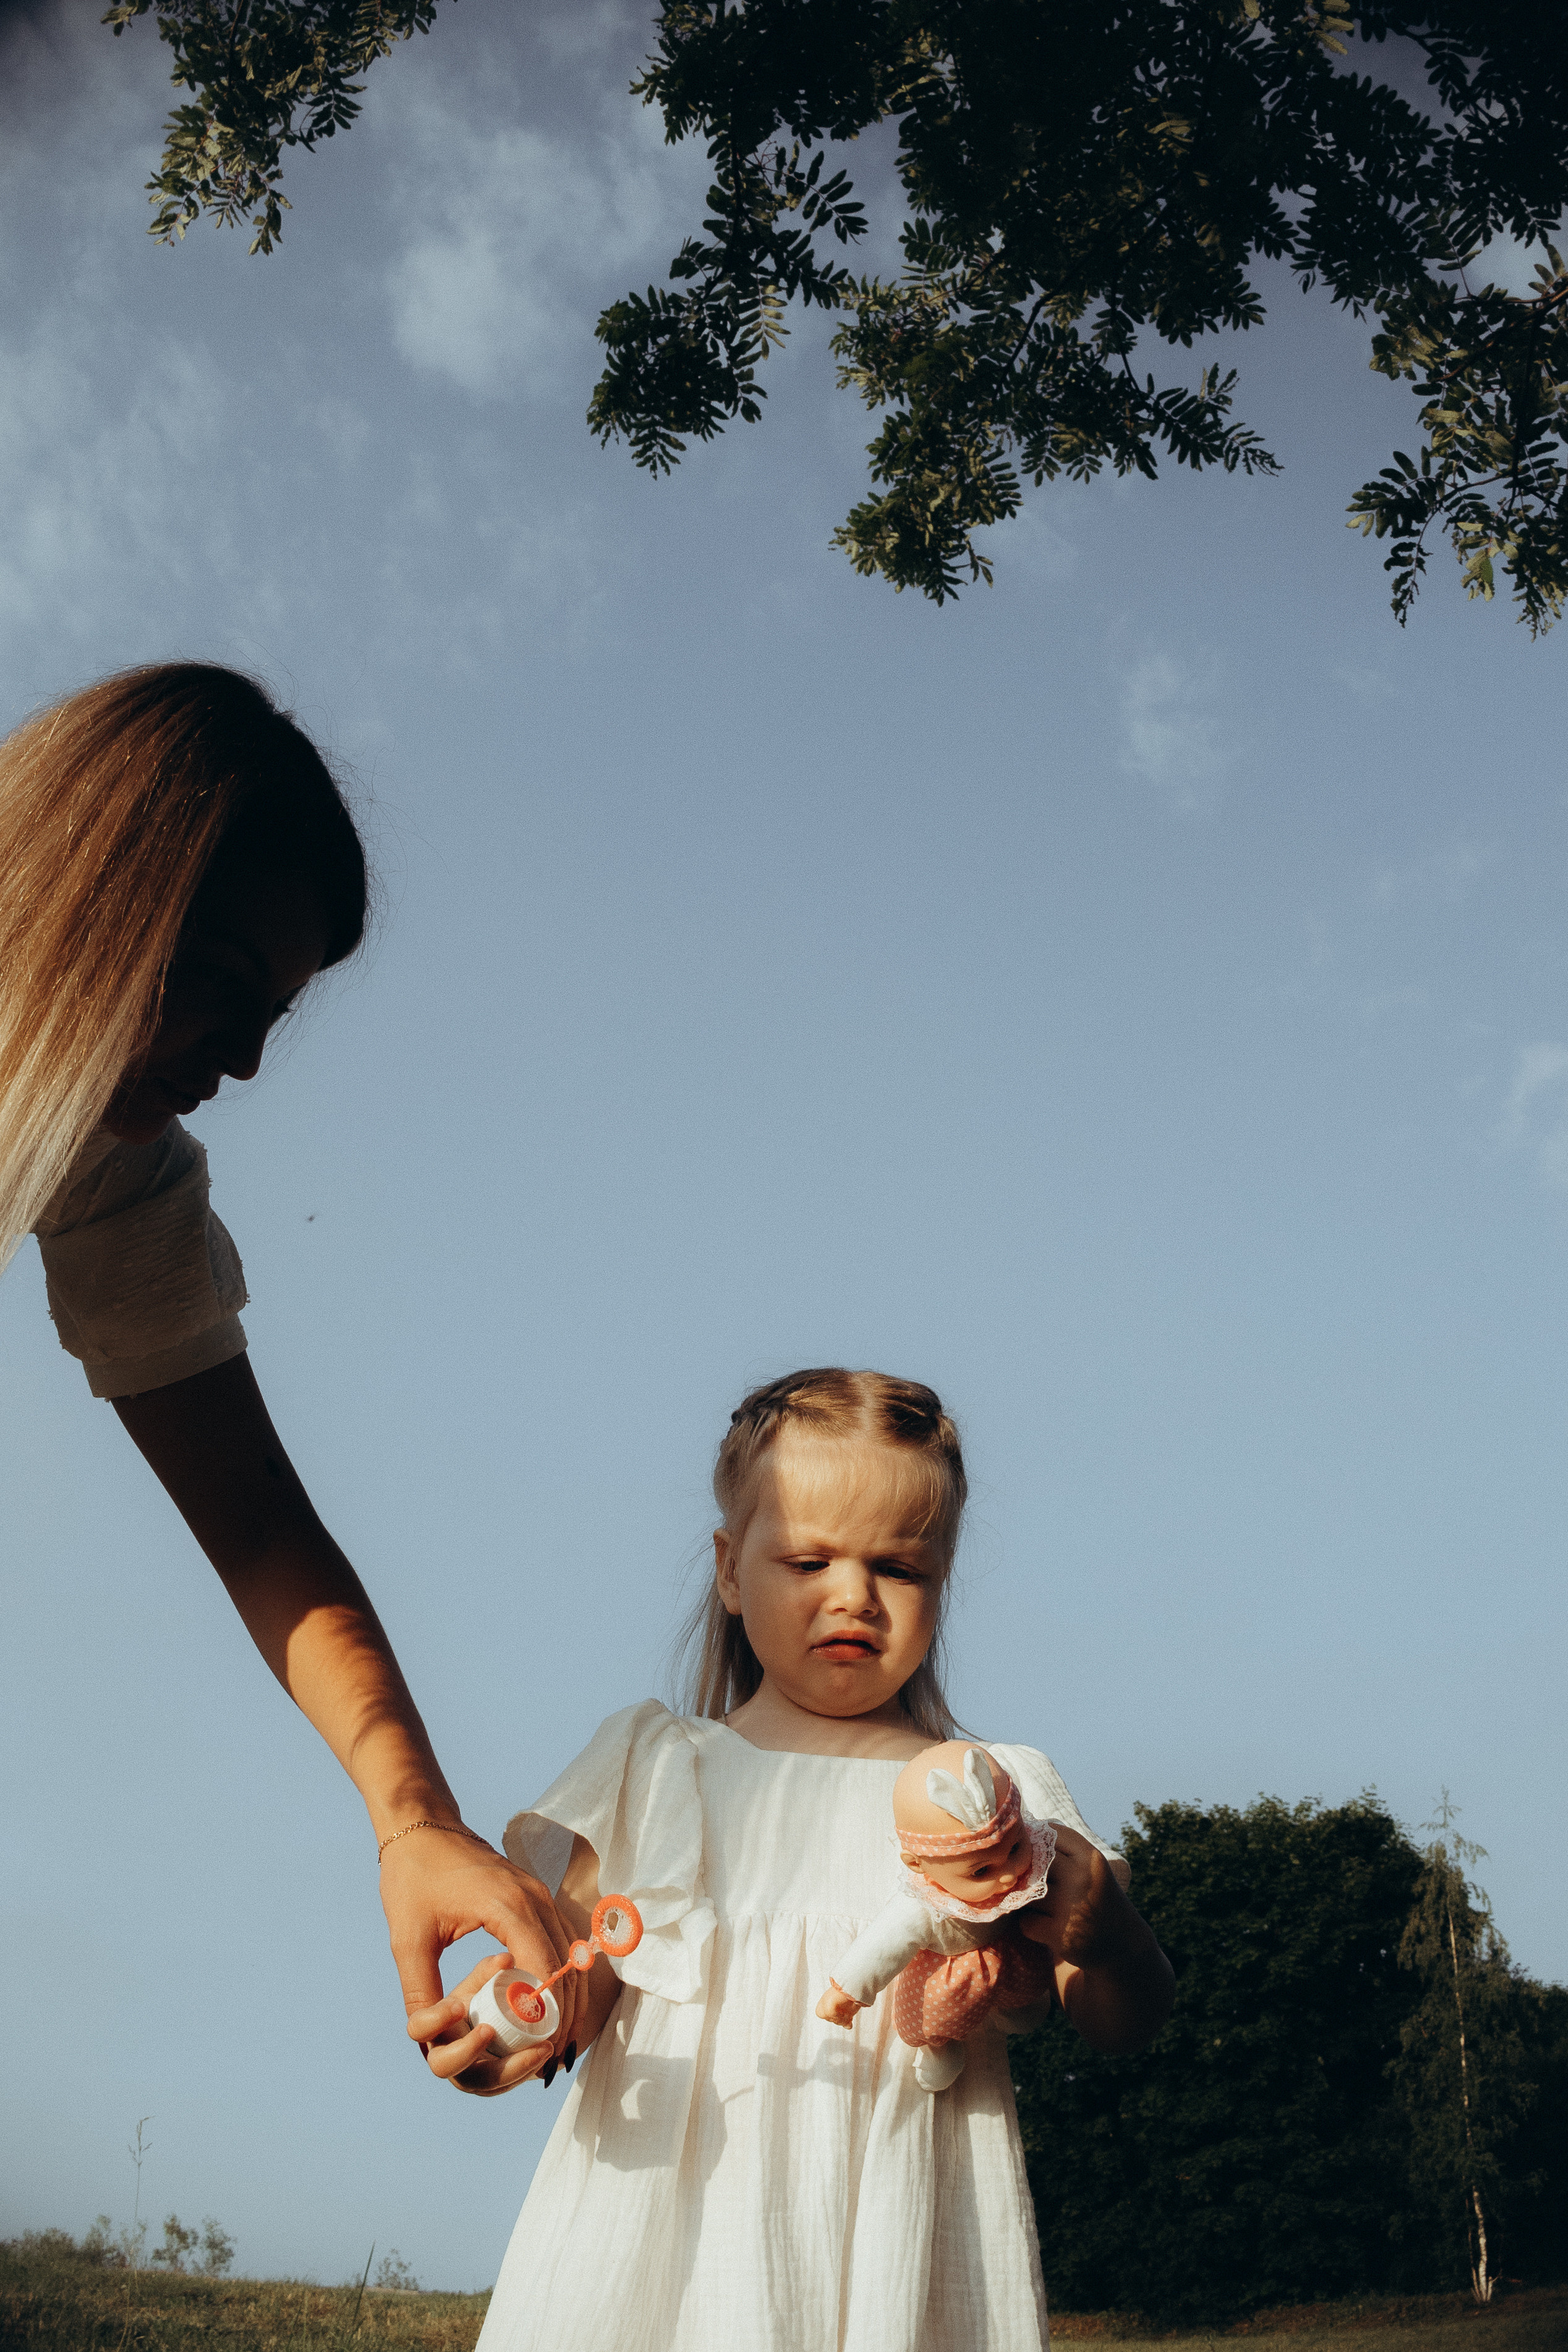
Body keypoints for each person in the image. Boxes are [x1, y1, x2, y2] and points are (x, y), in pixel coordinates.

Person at [0, 662, 580, 2064]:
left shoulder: (107, 1172)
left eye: (280, 1015)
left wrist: (414, 1817)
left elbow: (261, 1527)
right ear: (96, 886)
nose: (249, 1063)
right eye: (223, 986)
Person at [416, 1367, 1175, 2351]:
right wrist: (525, 2021)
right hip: (670, 2221)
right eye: (810, 1560)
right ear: (732, 1570)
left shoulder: (996, 1795)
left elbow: (1127, 2016)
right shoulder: (659, 1766)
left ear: (943, 1576)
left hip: (896, 2214)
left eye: (900, 1569)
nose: (854, 1595)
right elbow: (586, 1969)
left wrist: (1109, 1933)